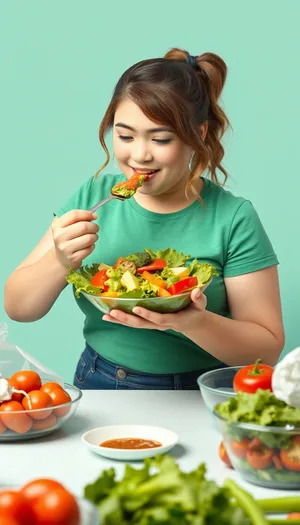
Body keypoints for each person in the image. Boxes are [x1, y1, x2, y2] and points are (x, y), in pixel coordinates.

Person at [4, 47, 285, 390]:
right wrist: (59, 260)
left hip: (198, 391)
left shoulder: (233, 217)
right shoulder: (94, 197)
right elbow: (18, 308)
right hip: (99, 379)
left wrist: (191, 322)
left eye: (160, 138)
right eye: (124, 136)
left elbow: (266, 350)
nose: (139, 155)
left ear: (199, 134)